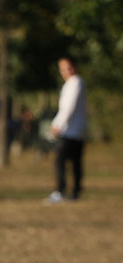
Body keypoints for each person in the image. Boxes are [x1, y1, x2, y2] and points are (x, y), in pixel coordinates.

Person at [45, 55, 88, 204]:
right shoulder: (72, 83)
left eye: (68, 67)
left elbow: (68, 108)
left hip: (70, 130)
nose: (65, 71)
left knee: (61, 161)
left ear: (75, 66)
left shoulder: (75, 82)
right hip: (76, 129)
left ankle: (61, 190)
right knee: (74, 162)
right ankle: (74, 192)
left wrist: (57, 125)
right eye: (62, 68)